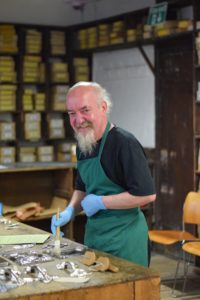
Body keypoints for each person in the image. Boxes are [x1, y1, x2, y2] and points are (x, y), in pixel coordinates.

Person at [51, 81, 156, 267]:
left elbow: (146, 195)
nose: (78, 119)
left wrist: (101, 202)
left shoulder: (124, 143)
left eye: (85, 110)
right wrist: (70, 210)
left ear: (103, 107)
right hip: (96, 237)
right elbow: (82, 187)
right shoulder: (84, 144)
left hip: (125, 240)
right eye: (72, 114)